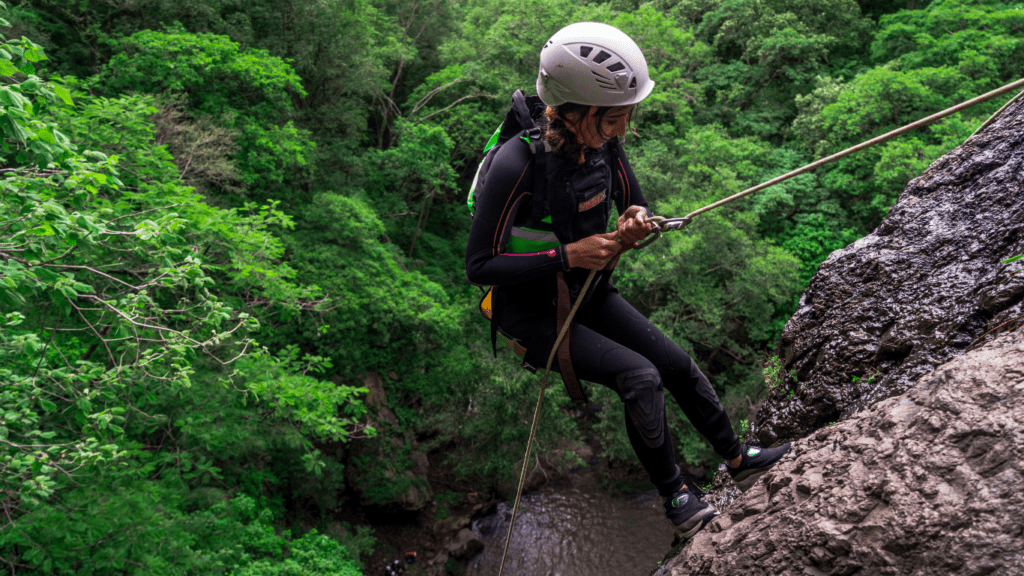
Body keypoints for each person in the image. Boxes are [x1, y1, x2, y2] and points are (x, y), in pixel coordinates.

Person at [464, 21, 790, 540]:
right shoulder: (516, 164)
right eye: (614, 119)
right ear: (575, 110)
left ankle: (737, 456)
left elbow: (634, 206)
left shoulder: (603, 145)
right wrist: (568, 253)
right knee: (639, 376)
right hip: (530, 312)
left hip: (588, 294)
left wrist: (637, 225)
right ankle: (677, 498)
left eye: (626, 117)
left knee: (676, 364)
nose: (623, 130)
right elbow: (478, 267)